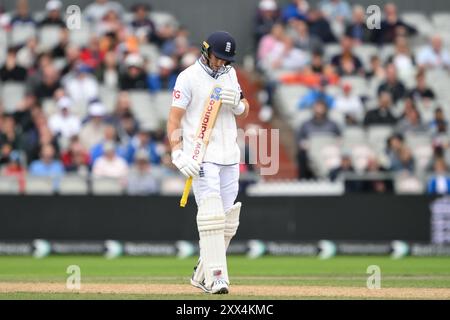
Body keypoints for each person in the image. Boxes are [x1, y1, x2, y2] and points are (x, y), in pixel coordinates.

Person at [166, 31, 250, 294]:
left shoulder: (230, 74)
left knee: (226, 223)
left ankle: (200, 276)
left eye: (226, 59)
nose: (221, 63)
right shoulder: (188, 77)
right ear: (205, 52)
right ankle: (216, 278)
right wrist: (177, 152)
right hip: (201, 156)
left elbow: (244, 106)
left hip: (230, 156)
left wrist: (238, 105)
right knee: (211, 216)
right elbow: (173, 120)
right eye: (218, 57)